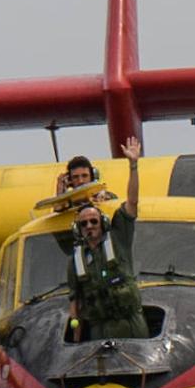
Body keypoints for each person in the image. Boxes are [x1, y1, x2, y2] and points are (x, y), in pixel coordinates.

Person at [67, 137, 148, 341]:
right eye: (84, 224)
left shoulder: (119, 239)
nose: (89, 227)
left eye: (94, 222)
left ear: (102, 223)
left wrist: (133, 165)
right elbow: (75, 301)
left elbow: (132, 201)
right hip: (100, 330)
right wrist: (76, 340)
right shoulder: (77, 261)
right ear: (78, 228)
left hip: (131, 324)